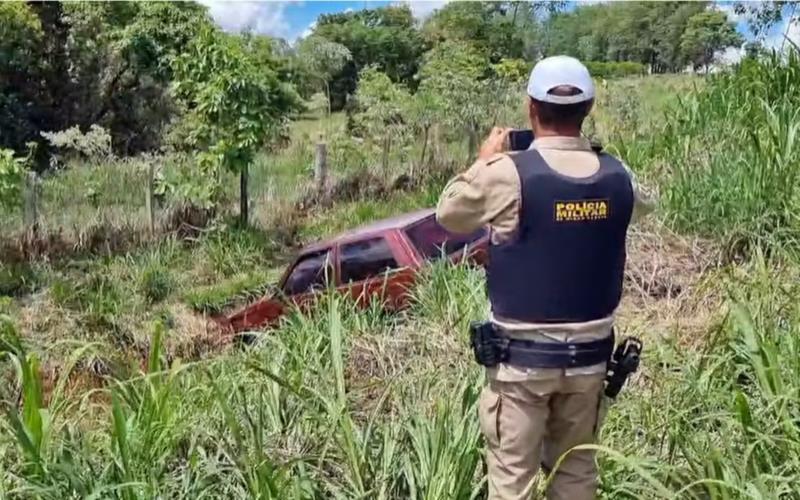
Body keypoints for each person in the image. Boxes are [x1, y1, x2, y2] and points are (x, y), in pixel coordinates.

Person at [435, 56, 654, 500]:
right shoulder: (618, 175)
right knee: (575, 478)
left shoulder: (508, 174)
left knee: (513, 483)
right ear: (588, 109)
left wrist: (484, 161)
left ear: (531, 109)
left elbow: (449, 213)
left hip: (521, 369)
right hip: (591, 363)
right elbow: (644, 204)